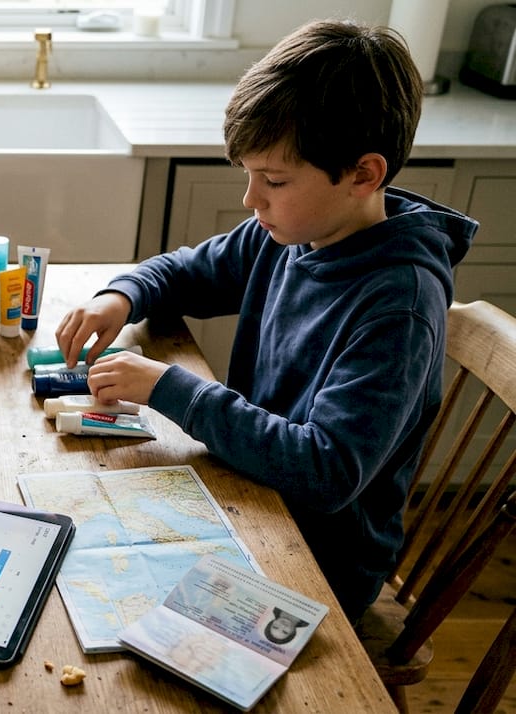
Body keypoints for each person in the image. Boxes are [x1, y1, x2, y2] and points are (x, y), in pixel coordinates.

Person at [55, 20, 476, 622]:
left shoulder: (399, 306)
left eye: (274, 181)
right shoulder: (294, 230)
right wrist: (120, 297)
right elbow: (184, 272)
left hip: (319, 560)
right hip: (252, 495)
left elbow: (326, 471)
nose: (252, 200)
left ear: (363, 175)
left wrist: (170, 389)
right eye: (249, 175)